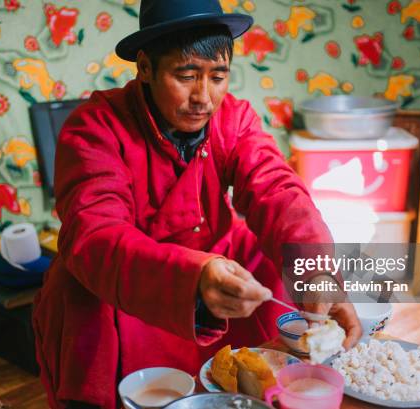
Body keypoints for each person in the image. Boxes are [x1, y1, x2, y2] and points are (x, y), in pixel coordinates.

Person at [32, 0, 362, 408]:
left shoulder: (234, 119)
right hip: (135, 278)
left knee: (276, 258)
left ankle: (265, 382)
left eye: (218, 77)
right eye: (185, 75)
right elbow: (96, 235)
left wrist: (319, 274)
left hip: (213, 259)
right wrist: (192, 279)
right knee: (77, 286)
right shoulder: (94, 127)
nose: (203, 98)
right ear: (146, 68)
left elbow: (277, 192)